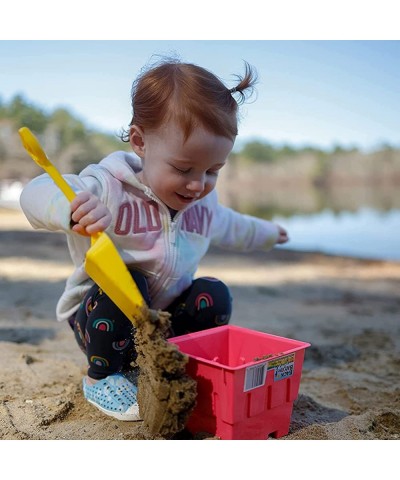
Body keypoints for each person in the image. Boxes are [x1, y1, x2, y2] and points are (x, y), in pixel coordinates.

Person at [20, 57, 289, 421]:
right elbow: (35, 192)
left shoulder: (203, 205)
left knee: (214, 293)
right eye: (183, 168)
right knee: (128, 282)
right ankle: (103, 377)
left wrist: (270, 233)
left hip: (160, 320)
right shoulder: (106, 187)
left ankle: (176, 361)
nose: (198, 185)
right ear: (140, 141)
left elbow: (233, 226)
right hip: (100, 319)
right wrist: (70, 209)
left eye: (213, 171)